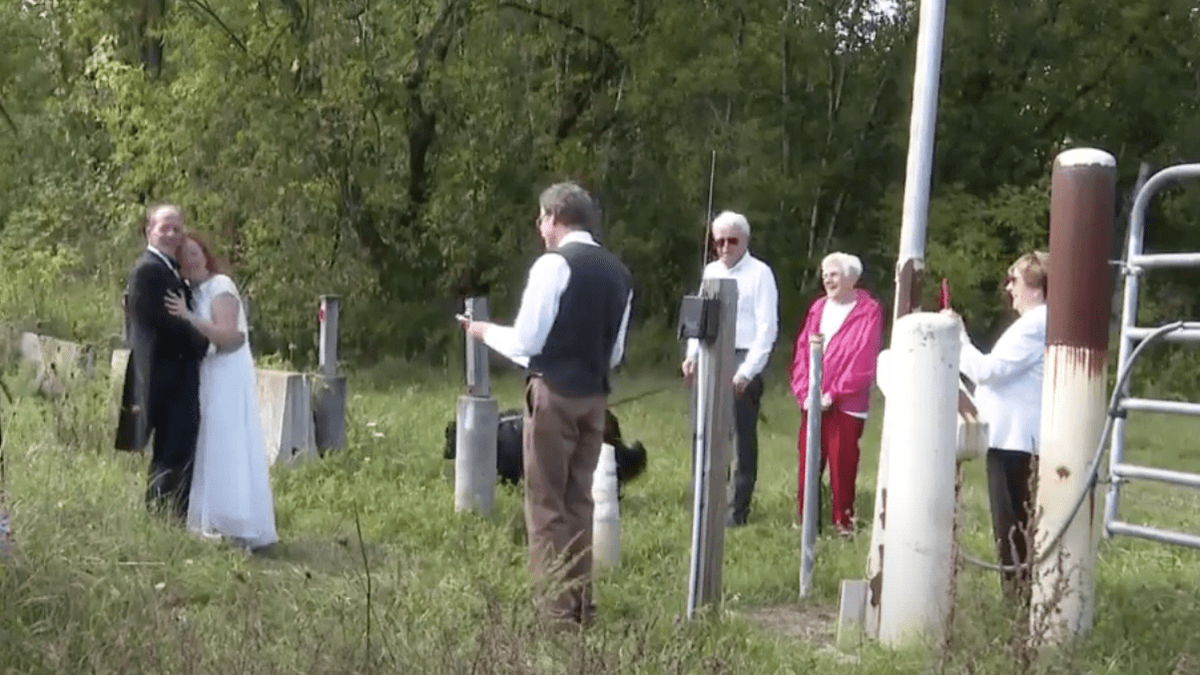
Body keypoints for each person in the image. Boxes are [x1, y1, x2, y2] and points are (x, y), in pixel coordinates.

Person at [460, 181, 633, 627]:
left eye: (541, 219)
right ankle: (582, 606)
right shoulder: (619, 273)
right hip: (595, 399)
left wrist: (482, 332)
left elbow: (526, 342)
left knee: (546, 506)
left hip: (554, 393)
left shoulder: (553, 265)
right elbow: (615, 353)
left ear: (554, 217)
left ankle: (554, 613)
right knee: (580, 504)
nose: (540, 228)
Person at [943, 251, 1048, 600]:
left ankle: (1017, 599)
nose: (1009, 288)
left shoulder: (1034, 325)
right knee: (1014, 524)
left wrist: (959, 338)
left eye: (1014, 280)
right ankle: (1020, 596)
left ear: (1035, 286)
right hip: (1014, 438)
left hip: (1015, 441)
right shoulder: (1037, 324)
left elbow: (989, 371)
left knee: (1012, 527)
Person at [165, 234, 278, 552]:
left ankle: (235, 521)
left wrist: (188, 317)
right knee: (208, 444)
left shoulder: (220, 285)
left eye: (195, 253)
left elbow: (230, 336)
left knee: (227, 443)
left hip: (227, 373)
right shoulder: (191, 291)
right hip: (207, 373)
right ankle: (209, 520)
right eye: (183, 256)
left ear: (206, 255)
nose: (190, 260)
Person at [681, 210, 779, 527]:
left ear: (745, 241)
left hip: (743, 357)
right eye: (719, 241)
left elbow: (767, 329)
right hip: (710, 354)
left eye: (731, 241)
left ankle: (737, 510)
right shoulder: (711, 271)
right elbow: (699, 318)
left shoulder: (761, 274)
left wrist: (747, 371)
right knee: (704, 431)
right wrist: (692, 355)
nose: (724, 248)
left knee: (741, 439)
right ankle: (706, 500)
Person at [115, 204, 210, 520]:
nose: (171, 234)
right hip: (166, 378)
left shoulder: (168, 270)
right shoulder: (149, 271)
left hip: (174, 378)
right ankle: (163, 522)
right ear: (148, 231)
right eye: (164, 227)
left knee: (176, 453)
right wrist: (204, 340)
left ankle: (171, 519)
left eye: (177, 229)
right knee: (172, 456)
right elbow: (170, 327)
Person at [789, 252, 883, 536]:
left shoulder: (869, 310)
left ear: (851, 278)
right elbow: (803, 351)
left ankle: (844, 524)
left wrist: (834, 393)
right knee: (808, 462)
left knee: (842, 465)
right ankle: (806, 523)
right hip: (813, 400)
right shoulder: (818, 308)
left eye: (834, 274)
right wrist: (804, 391)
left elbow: (864, 357)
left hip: (846, 403)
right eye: (825, 274)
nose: (827, 280)